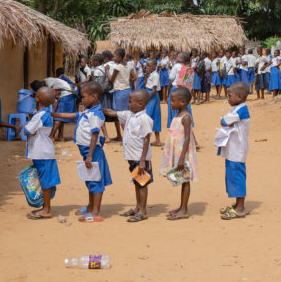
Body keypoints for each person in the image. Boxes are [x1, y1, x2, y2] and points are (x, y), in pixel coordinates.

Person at [53, 82, 112, 222]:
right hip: (87, 152)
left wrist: (90, 155)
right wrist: (54, 114)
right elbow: (72, 115)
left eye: (84, 97)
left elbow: (95, 134)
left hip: (93, 152)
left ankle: (96, 213)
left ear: (94, 96)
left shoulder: (96, 114)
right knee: (90, 180)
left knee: (95, 181)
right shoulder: (88, 111)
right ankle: (91, 207)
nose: (82, 100)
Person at [104, 90, 154, 222]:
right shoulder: (129, 115)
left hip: (140, 158)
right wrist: (98, 107)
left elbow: (146, 139)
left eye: (130, 101)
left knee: (142, 184)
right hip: (132, 157)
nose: (128, 103)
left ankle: (143, 211)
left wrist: (143, 160)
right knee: (137, 182)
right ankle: (137, 207)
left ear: (140, 103)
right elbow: (111, 113)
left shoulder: (144, 119)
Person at [22, 86, 60, 219]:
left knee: (45, 181)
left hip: (42, 153)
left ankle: (47, 209)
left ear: (37, 100)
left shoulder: (39, 116)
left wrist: (24, 126)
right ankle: (45, 207)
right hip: (43, 152)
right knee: (44, 180)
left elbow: (28, 131)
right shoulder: (45, 114)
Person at [162, 87, 198, 220]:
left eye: (173, 101)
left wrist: (182, 158)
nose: (170, 103)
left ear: (183, 102)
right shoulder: (177, 115)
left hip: (182, 152)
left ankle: (184, 210)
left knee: (185, 180)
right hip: (177, 151)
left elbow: (188, 137)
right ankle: (182, 207)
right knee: (182, 179)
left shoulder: (186, 117)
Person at [217, 82, 252, 219]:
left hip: (237, 151)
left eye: (230, 96)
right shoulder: (236, 108)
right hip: (232, 149)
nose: (228, 98)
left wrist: (223, 120)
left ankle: (241, 208)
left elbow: (224, 121)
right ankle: (237, 204)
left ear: (240, 96)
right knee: (231, 177)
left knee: (237, 177)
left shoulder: (241, 110)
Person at [166, 52, 195, 128]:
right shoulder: (188, 68)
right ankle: (187, 123)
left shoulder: (176, 66)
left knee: (173, 106)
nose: (176, 57)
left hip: (175, 89)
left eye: (178, 57)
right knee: (184, 106)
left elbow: (171, 78)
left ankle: (174, 124)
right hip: (184, 90)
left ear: (181, 59)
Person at [143, 61, 162, 146]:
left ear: (154, 66)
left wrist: (147, 99)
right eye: (146, 66)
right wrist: (146, 75)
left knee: (151, 116)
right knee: (150, 116)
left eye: (149, 66)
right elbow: (145, 84)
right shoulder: (150, 74)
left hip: (152, 96)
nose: (147, 67)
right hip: (148, 94)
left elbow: (154, 89)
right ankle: (151, 139)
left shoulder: (155, 75)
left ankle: (156, 139)